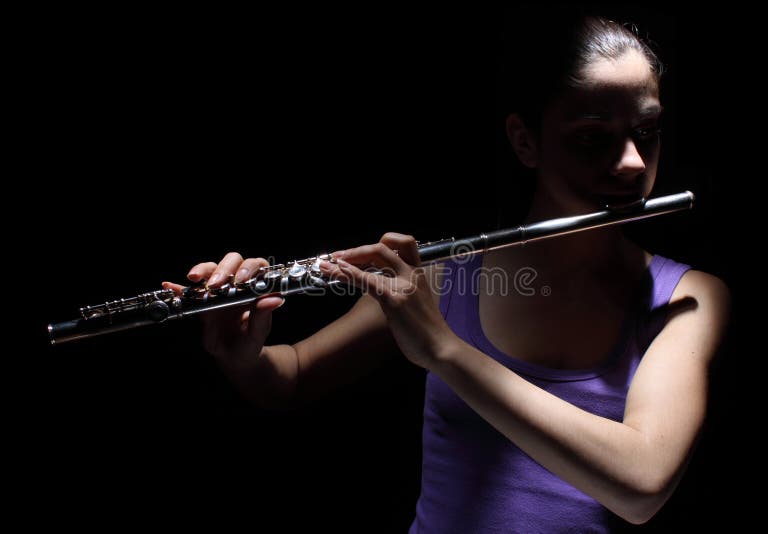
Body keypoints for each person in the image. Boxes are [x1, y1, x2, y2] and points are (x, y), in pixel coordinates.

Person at [164, 9, 730, 532]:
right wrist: (245, 355)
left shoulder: (686, 297)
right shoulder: (444, 274)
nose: (632, 161)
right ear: (525, 141)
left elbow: (642, 486)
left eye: (647, 132)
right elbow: (290, 378)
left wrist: (442, 349)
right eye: (591, 138)